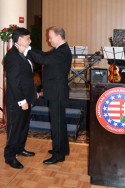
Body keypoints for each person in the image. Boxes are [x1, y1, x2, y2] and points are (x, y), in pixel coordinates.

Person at [16, 26, 72, 164]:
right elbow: (44, 55)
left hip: (57, 93)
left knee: (57, 124)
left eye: (51, 37)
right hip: (56, 92)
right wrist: (29, 51)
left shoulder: (62, 51)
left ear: (58, 37)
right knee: (59, 123)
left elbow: (43, 59)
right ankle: (63, 149)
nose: (49, 39)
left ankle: (59, 155)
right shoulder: (59, 50)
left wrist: (27, 50)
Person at [4, 28, 37, 169]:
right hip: (16, 101)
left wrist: (33, 92)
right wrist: (22, 101)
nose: (30, 40)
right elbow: (13, 82)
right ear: (20, 39)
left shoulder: (24, 54)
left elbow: (28, 77)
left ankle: (20, 148)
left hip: (27, 98)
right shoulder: (12, 57)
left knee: (23, 127)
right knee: (15, 129)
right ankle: (10, 156)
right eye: (28, 38)